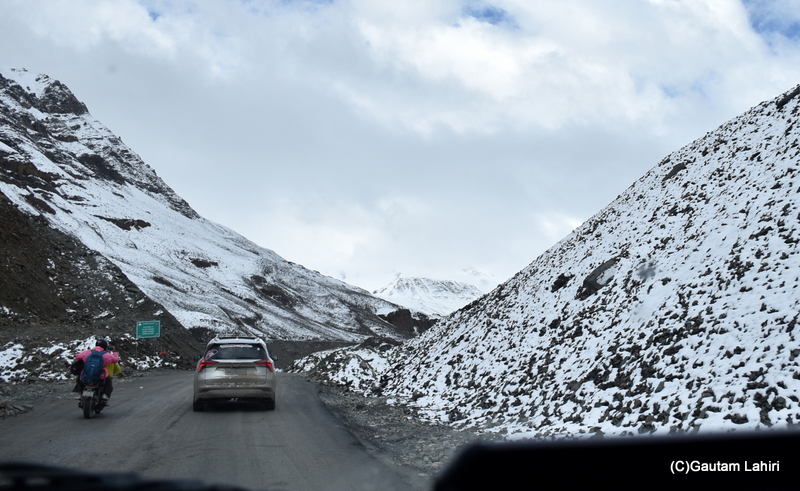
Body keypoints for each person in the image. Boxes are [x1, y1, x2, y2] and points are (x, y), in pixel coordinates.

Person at [73, 338, 120, 403]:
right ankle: (105, 395)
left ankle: (80, 393)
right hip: (99, 375)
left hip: (86, 373)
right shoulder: (106, 355)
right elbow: (115, 360)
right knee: (108, 381)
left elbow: (77, 356)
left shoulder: (89, 352)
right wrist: (114, 352)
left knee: (80, 378)